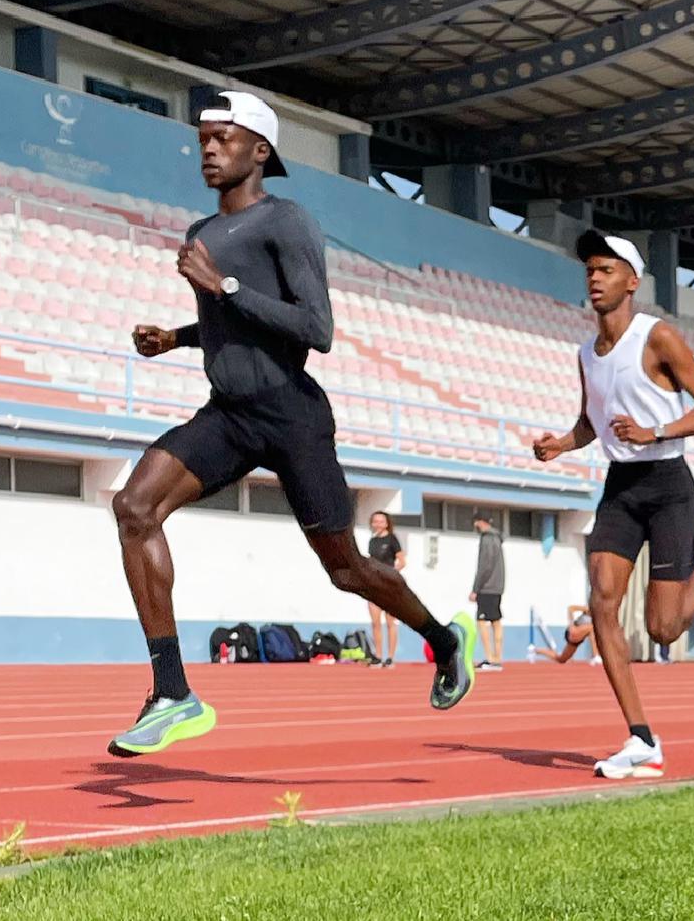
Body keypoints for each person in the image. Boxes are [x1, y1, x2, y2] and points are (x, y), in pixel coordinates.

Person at [109, 91, 475, 755]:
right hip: (230, 416)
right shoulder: (201, 234)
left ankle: (446, 641)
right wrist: (183, 336)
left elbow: (316, 330)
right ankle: (172, 692)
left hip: (293, 414)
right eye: (203, 141)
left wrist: (223, 288)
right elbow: (235, 328)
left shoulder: (287, 221)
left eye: (223, 138)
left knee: (344, 568)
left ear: (260, 150)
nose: (209, 149)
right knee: (134, 507)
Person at [533, 230, 694, 780]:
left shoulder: (659, 338)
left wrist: (656, 432)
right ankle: (641, 738)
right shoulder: (586, 353)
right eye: (590, 271)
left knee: (664, 630)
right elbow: (592, 422)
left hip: (670, 485)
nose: (595, 278)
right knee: (602, 602)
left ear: (632, 281)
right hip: (621, 488)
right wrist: (562, 442)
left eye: (606, 270)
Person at [366, 510, 404, 667]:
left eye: (381, 521)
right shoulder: (372, 541)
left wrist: (390, 574)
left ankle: (390, 657)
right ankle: (378, 656)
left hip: (389, 585)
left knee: (390, 622)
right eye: (375, 521)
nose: (378, 524)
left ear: (387, 523)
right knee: (375, 622)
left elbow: (402, 561)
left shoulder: (392, 539)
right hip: (373, 585)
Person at [471, 511, 505, 671]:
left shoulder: (486, 539)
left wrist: (475, 589)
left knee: (482, 621)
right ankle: (497, 657)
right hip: (497, 586)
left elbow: (484, 566)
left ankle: (491, 659)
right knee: (496, 621)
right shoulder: (498, 538)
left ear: (480, 522)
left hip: (487, 587)